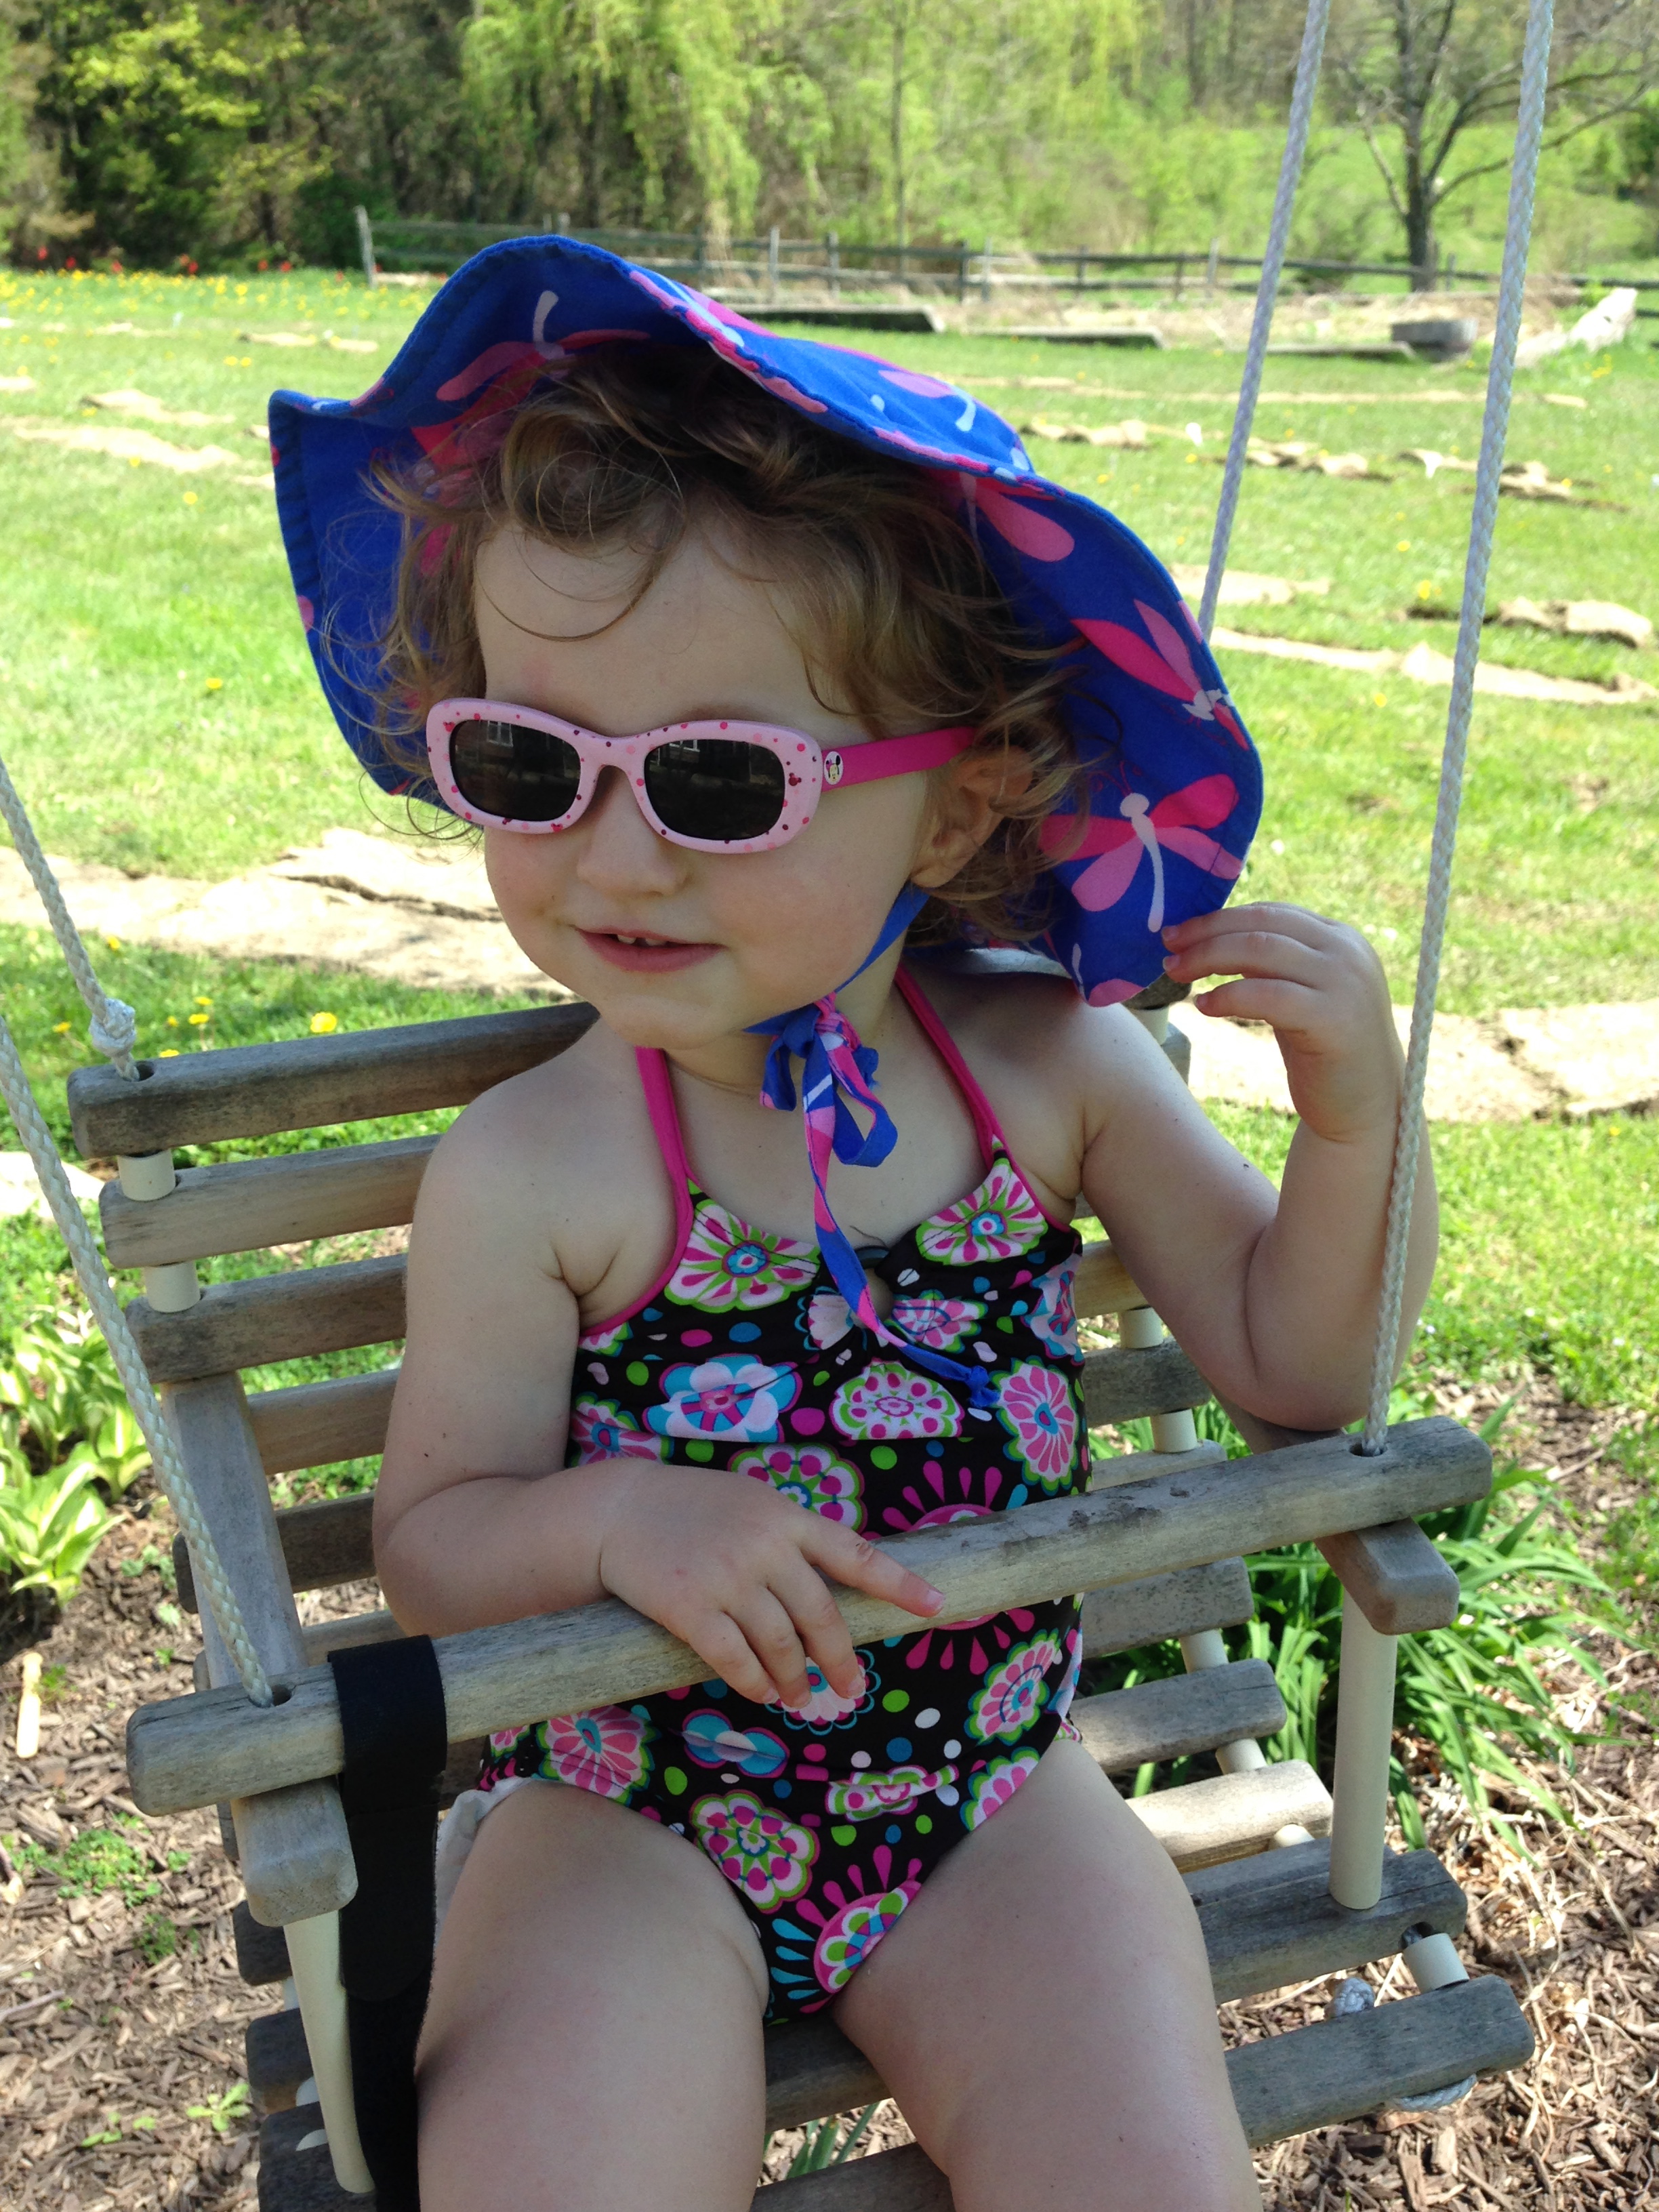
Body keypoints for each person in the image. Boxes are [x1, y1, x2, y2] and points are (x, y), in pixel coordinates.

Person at [275, 240, 1435, 2212]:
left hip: (992, 1801)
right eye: (529, 763)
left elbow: (1299, 1370)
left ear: (958, 807)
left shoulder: (1053, 1073)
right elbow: (435, 1549)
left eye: (722, 780)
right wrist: (620, 1522)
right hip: (624, 1817)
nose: (612, 854)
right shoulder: (542, 1166)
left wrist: (1354, 1127)